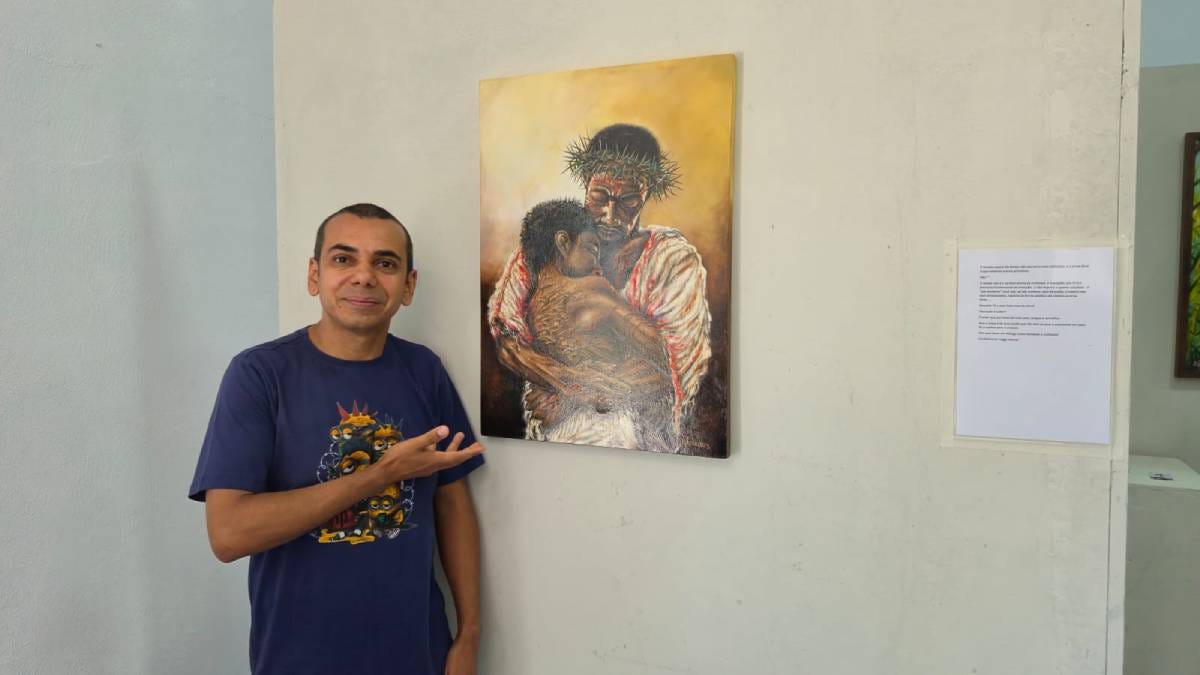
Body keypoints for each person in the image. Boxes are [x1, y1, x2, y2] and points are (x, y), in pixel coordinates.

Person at [189, 203, 485, 675]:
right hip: (298, 658)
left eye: (385, 263)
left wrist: (468, 635)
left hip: (418, 655)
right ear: (315, 275)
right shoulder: (260, 374)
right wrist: (380, 475)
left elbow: (452, 503)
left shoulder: (423, 370)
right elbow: (228, 534)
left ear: (408, 285)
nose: (364, 276)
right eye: (343, 259)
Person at [487, 123, 711, 452]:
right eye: (600, 196)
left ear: (646, 195)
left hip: (643, 438)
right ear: (586, 184)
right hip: (555, 434)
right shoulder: (542, 249)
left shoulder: (672, 259)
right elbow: (508, 343)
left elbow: (674, 367)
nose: (610, 215)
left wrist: (571, 388)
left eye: (628, 200)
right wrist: (575, 385)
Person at [518, 198, 675, 451]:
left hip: (558, 430)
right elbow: (657, 346)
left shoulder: (534, 306)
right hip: (606, 429)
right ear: (563, 243)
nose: (598, 266)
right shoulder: (591, 289)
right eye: (592, 249)